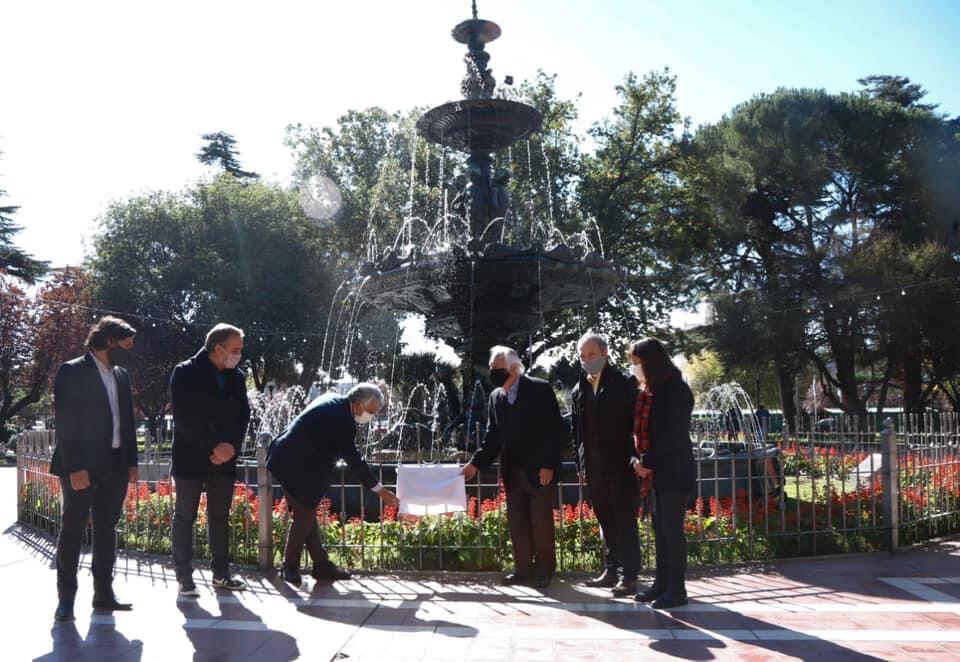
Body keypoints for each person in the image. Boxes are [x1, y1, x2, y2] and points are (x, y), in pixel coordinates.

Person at [51, 316, 140, 622]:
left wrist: (132, 462)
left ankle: (103, 594)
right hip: (82, 467)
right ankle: (66, 600)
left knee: (106, 529)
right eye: (126, 344)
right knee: (73, 529)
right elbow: (65, 423)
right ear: (108, 341)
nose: (129, 350)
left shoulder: (122, 375)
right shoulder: (72, 371)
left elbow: (127, 422)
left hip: (115, 465)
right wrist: (75, 467)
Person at [267, 383, 399, 586]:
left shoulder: (334, 400)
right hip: (290, 464)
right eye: (370, 411)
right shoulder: (342, 420)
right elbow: (355, 462)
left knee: (307, 512)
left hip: (289, 458)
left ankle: (321, 565)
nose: (370, 417)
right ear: (356, 404)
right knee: (305, 515)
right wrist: (381, 491)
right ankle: (289, 566)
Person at [462, 346, 567, 588]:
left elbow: (553, 430)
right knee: (517, 523)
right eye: (491, 369)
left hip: (540, 471)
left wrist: (548, 464)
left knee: (541, 523)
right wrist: (476, 464)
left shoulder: (540, 388)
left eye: (495, 368)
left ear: (511, 368)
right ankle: (522, 569)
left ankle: (544, 570)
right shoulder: (495, 397)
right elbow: (493, 437)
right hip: (512, 472)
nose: (492, 373)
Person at [170, 323, 251, 596]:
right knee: (185, 516)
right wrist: (213, 447)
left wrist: (230, 447)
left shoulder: (236, 377)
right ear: (218, 348)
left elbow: (243, 416)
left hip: (225, 459)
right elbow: (183, 418)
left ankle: (222, 575)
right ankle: (184, 577)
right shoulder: (185, 372)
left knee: (219, 517)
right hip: (191, 457)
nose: (238, 355)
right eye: (235, 349)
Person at [570, 332, 640, 597]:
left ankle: (629, 576)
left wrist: (636, 458)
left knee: (625, 521)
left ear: (605, 354)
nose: (587, 360)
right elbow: (577, 431)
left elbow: (635, 425)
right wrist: (581, 464)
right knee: (606, 522)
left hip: (621, 466)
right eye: (582, 356)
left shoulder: (624, 383)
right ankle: (611, 570)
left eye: (592, 355)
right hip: (594, 468)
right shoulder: (580, 388)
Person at [629, 338, 695, 609]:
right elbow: (639, 434)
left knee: (672, 531)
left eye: (636, 363)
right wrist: (637, 459)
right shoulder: (650, 391)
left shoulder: (676, 390)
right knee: (660, 530)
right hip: (654, 473)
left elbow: (673, 435)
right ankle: (662, 583)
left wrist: (647, 460)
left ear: (650, 361)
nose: (633, 368)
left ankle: (677, 589)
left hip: (673, 472)